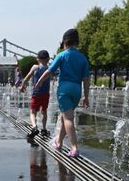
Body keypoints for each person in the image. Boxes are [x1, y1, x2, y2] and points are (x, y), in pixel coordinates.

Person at [35, 29, 90, 157]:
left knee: (68, 118)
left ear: (65, 43)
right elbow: (86, 79)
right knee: (64, 116)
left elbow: (49, 71)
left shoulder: (62, 55)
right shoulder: (83, 58)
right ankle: (59, 142)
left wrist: (40, 82)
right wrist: (86, 97)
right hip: (76, 89)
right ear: (77, 42)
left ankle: (74, 148)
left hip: (64, 89)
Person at [20, 50, 53, 139]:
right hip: (46, 94)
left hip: (36, 94)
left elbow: (26, 78)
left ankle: (34, 127)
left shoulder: (35, 67)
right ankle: (44, 129)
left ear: (37, 59)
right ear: (48, 59)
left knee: (33, 112)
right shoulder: (50, 68)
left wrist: (23, 86)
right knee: (44, 111)